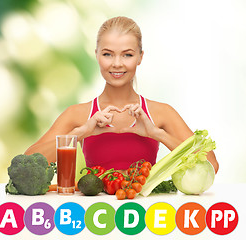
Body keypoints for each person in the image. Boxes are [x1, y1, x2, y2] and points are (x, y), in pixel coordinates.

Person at [25, 16, 219, 174]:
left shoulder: (161, 113)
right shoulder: (78, 114)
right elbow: (27, 164)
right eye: (108, 54)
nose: (117, 63)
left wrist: (157, 134)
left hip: (144, 214)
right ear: (97, 55)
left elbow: (211, 164)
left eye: (127, 55)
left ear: (140, 57)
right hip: (96, 214)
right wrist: (79, 134)